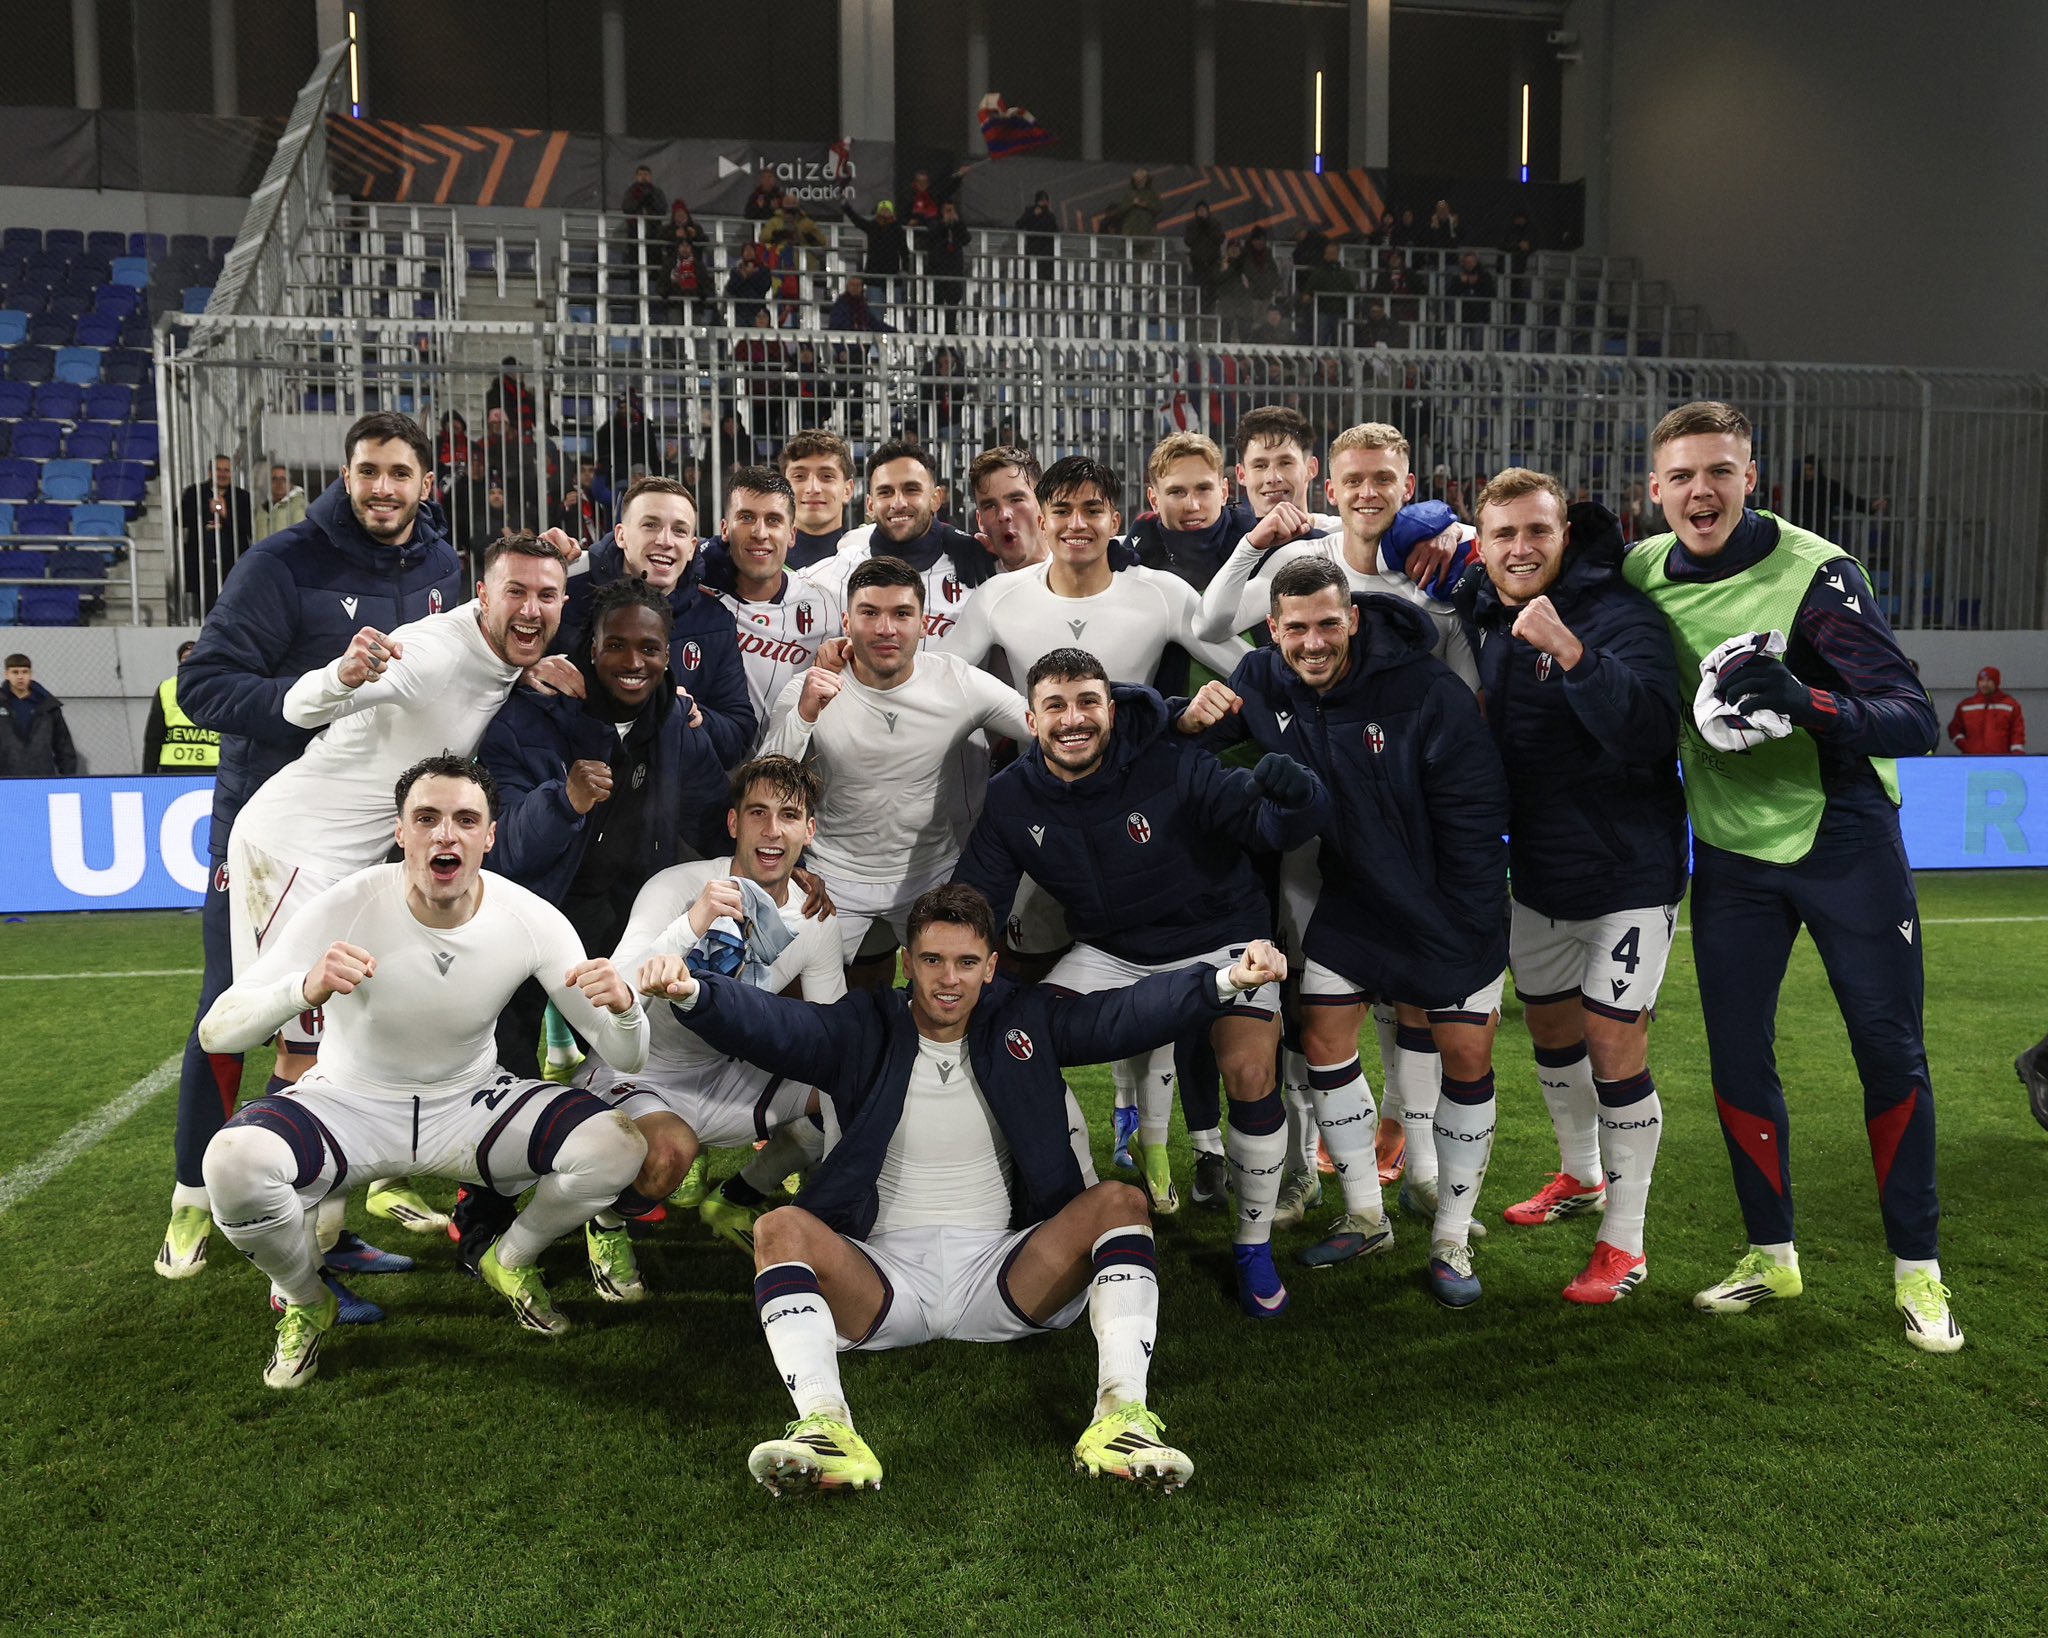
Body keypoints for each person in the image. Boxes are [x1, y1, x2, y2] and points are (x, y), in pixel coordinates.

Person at [643, 881, 1287, 1493]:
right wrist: (697, 993)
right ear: (906, 962)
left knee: (1121, 1202)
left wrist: (1228, 980)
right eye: (931, 960)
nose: (948, 979)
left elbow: (1122, 1015)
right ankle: (825, 1423)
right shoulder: (861, 1025)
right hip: (883, 1277)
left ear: (991, 965)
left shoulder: (1026, 1019)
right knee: (776, 1227)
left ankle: (1122, 1416)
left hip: (1004, 1269)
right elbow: (773, 1024)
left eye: (965, 961)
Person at [1623, 400, 1959, 1352]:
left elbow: (1910, 718)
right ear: (1656, 490)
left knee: (1888, 1053)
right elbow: (1534, 558)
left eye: (1720, 472)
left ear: (1751, 478)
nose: (1701, 491)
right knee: (1736, 1055)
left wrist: (1811, 702)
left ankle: (1919, 1276)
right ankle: (1772, 1255)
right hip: (1729, 853)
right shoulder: (1645, 569)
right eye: (1683, 475)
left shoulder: (1817, 574)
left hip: (1843, 840)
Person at [197, 754, 651, 1386]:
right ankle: (305, 1298)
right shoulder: (348, 903)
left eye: (466, 819)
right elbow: (218, 1028)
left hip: (468, 1105)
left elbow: (627, 1056)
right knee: (230, 1165)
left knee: (617, 1145)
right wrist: (302, 987)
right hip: (348, 1105)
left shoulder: (531, 918)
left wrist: (626, 1010)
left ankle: (511, 1259)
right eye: (427, 818)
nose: (446, 834)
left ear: (489, 835)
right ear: (400, 830)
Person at [164, 413, 468, 1284]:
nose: (382, 488)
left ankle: (331, 1218)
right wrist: (321, 691)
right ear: (346, 474)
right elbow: (206, 687)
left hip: (380, 839)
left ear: (425, 483)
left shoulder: (444, 568)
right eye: (367, 471)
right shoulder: (281, 562)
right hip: (270, 832)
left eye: (399, 473)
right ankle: (192, 1195)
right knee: (234, 1007)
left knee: (348, 1020)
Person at [1180, 556, 1510, 1309]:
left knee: (1466, 1053)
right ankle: (1364, 1212)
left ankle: (1452, 1235)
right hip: (1354, 898)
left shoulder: (1427, 690)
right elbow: (1191, 750)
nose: (1314, 642)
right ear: (1273, 629)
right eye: (1296, 628)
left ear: (1354, 617)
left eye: (1329, 623)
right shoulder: (1264, 680)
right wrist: (1188, 721)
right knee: (1324, 1036)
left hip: (1449, 901)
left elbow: (1476, 814)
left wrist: (1462, 920)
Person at [955, 647, 1330, 1311]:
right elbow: (975, 898)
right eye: (1057, 707)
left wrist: (1299, 801)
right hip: (1112, 949)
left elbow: (1263, 824)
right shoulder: (1012, 796)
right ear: (1031, 721)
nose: (1074, 719)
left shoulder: (1172, 760)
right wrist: (945, 960)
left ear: (1111, 708)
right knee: (1016, 1040)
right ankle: (1067, 1206)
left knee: (1248, 1071)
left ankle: (1252, 1247)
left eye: (1088, 703)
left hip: (1223, 938)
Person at [1456, 469, 1686, 1302]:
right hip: (1541, 872)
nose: (1521, 549)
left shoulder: (1621, 616)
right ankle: (1581, 1177)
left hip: (1629, 870)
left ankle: (1626, 1244)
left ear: (1566, 534)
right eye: (1504, 536)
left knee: (1615, 1043)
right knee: (1551, 1031)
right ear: (1481, 547)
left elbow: (1652, 732)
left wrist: (1573, 653)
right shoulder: (1485, 612)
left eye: (1537, 533)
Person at [594, 755, 845, 1277]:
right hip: (643, 1068)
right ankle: (607, 1223)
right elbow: (617, 987)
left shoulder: (814, 916)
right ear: (733, 823)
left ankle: (739, 1195)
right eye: (756, 813)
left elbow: (829, 1033)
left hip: (732, 1072)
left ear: (810, 830)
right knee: (668, 1156)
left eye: (789, 815)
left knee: (849, 1088)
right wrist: (693, 922)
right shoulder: (676, 887)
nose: (772, 830)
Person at [761, 557, 1029, 981]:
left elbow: (1040, 727)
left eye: (902, 614)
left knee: (958, 995)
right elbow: (764, 790)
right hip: (831, 879)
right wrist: (805, 715)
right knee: (787, 1002)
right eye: (870, 613)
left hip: (933, 873)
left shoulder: (956, 681)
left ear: (923, 623)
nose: (886, 629)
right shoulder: (808, 688)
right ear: (847, 621)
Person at [942, 456, 1248, 691]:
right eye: (1062, 511)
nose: (1077, 524)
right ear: (1043, 523)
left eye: (1092, 510)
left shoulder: (1164, 594)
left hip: (1135, 771)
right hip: (1036, 771)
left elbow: (1248, 669)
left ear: (1114, 523)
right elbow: (933, 679)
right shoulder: (996, 597)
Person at [559, 475, 756, 768]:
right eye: (650, 525)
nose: (664, 541)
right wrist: (527, 673)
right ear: (621, 535)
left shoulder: (714, 621)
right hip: (579, 798)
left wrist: (696, 718)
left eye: (678, 530)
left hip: (677, 805)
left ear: (691, 547)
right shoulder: (567, 600)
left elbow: (738, 735)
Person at [699, 466, 845, 746]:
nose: (759, 532)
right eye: (746, 517)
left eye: (773, 520)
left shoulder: (823, 606)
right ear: (725, 529)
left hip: (791, 778)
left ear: (791, 534)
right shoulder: (696, 595)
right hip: (708, 776)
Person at [800, 440, 997, 646]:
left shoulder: (977, 569)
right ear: (870, 505)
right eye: (885, 492)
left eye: (911, 489)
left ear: (935, 498)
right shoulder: (833, 575)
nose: (899, 503)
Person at [176, 453, 254, 619]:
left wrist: (226, 515)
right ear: (210, 473)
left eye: (227, 470)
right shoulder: (194, 492)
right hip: (200, 564)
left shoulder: (242, 496)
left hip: (232, 563)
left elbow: (250, 528)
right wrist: (206, 510)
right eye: (219, 470)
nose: (223, 474)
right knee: (204, 611)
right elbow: (179, 519)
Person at [779, 430, 859, 568]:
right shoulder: (761, 564)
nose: (813, 488)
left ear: (848, 490)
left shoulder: (865, 559)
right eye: (799, 476)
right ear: (782, 490)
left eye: (827, 476)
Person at [142, 641, 220, 773]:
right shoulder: (167, 688)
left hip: (213, 769)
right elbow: (153, 737)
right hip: (173, 769)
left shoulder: (220, 687)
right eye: (185, 658)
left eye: (194, 656)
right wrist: (148, 775)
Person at [1, 653, 79, 776]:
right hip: (5, 778)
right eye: (15, 672)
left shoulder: (48, 706)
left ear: (31, 674)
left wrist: (68, 778)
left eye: (24, 672)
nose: (20, 677)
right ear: (6, 674)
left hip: (42, 776)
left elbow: (63, 746)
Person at [842, 196, 910, 306]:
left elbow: (904, 250)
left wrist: (905, 269)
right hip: (874, 275)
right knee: (875, 309)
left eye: (887, 210)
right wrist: (846, 207)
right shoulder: (873, 226)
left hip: (893, 275)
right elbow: (857, 221)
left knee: (897, 309)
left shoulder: (897, 229)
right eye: (882, 210)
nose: (885, 212)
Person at [1947, 666, 2026, 754]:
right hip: (1972, 760)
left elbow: (2017, 731)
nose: (1984, 684)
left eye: (1989, 681)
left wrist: (2017, 753)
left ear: (1996, 682)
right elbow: (1954, 729)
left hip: (2001, 759)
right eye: (1981, 681)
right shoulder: (1966, 706)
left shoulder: (2010, 705)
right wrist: (1964, 745)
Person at [724, 243, 774, 329]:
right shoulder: (736, 271)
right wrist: (744, 275)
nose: (748, 252)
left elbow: (765, 286)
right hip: (740, 312)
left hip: (757, 312)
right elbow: (730, 288)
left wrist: (752, 274)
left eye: (751, 250)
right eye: (746, 250)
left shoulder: (764, 270)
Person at [1102, 170, 1162, 239]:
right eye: (1136, 179)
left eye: (1140, 179)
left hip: (1147, 230)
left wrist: (1147, 205)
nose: (1138, 182)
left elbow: (1159, 208)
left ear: (1145, 179)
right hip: (1130, 231)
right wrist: (1132, 203)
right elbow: (1121, 209)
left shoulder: (1152, 194)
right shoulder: (1130, 194)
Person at [254, 463, 308, 538]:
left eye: (283, 479)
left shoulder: (299, 507)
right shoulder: (263, 509)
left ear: (290, 483)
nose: (279, 483)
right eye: (274, 479)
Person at [1183, 201, 1225, 295]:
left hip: (1213, 260)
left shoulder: (1215, 223)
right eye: (1199, 210)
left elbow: (1220, 239)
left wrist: (1208, 227)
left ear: (1208, 211)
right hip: (1197, 260)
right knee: (1199, 286)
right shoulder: (1191, 224)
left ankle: (1211, 304)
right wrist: (1199, 228)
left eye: (1203, 210)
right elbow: (1188, 241)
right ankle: (1199, 304)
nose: (1201, 212)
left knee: (1212, 285)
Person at [1017, 189, 1059, 280]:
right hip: (1033, 249)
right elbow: (1019, 225)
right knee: (1031, 275)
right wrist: (1032, 215)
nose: (1043, 204)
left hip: (1047, 251)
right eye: (1041, 201)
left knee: (1046, 276)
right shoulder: (1030, 212)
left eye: (1045, 202)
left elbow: (1055, 231)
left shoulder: (1050, 216)